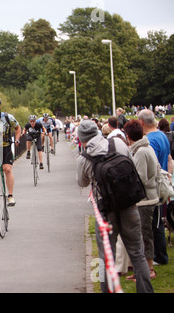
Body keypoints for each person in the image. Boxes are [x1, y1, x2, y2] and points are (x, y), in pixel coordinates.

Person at [76, 120, 154, 293]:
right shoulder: (118, 143)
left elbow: (82, 182)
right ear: (97, 132)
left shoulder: (84, 158)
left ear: (81, 139)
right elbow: (131, 165)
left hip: (105, 211)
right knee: (137, 254)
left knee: (106, 259)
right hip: (129, 205)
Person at [124, 119, 159, 279]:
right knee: (141, 235)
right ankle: (142, 268)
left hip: (145, 200)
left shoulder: (141, 152)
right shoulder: (144, 149)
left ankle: (149, 269)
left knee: (144, 235)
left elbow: (140, 178)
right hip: (146, 198)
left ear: (129, 136)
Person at [138, 109, 170, 265]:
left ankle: (159, 256)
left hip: (154, 186)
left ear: (142, 122)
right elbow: (168, 159)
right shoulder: (162, 135)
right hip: (161, 183)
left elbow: (151, 165)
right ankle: (160, 255)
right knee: (157, 222)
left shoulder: (150, 140)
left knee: (154, 225)